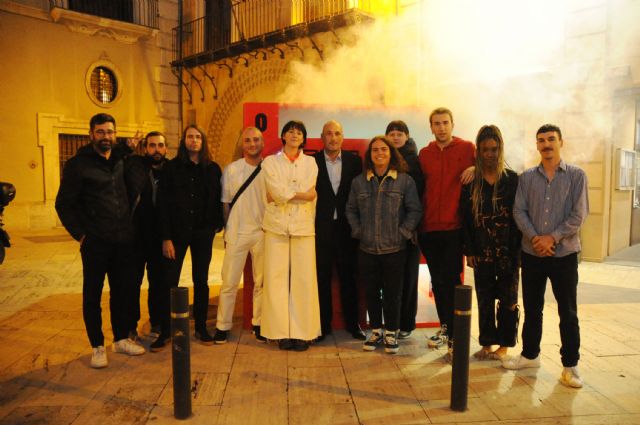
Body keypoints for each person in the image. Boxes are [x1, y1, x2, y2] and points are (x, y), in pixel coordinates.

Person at [55, 113, 145, 369]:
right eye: (101, 132)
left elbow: (126, 155)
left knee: (122, 292)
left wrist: (129, 146)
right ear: (91, 134)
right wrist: (81, 234)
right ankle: (96, 345)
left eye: (110, 132)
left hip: (123, 240)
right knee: (92, 295)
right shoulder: (78, 165)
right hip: (95, 242)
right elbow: (63, 204)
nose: (106, 137)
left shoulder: (118, 159)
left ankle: (119, 339)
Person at [503, 124, 589, 389]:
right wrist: (536, 239)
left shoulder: (576, 176)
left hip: (564, 255)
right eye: (541, 140)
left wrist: (552, 238)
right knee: (533, 308)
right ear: (537, 145)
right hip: (532, 254)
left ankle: (570, 366)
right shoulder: (527, 178)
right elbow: (519, 211)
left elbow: (579, 214)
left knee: (568, 312)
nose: (546, 144)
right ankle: (530, 355)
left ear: (561, 141)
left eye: (551, 139)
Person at [346, 136, 422, 354]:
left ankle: (392, 332)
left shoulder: (404, 181)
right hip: (367, 248)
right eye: (375, 150)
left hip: (395, 249)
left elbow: (414, 210)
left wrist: (403, 233)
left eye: (384, 149)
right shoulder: (359, 182)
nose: (379, 153)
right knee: (371, 292)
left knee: (393, 293)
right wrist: (358, 231)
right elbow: (350, 209)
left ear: (391, 153)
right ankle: (376, 330)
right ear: (369, 155)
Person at [156, 125, 224, 347]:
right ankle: (166, 331)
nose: (194, 140)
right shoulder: (171, 169)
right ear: (184, 141)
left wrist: (217, 223)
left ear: (203, 142)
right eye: (190, 137)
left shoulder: (213, 169)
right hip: (176, 234)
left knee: (201, 281)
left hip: (202, 232)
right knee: (170, 281)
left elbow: (218, 199)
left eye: (198, 137)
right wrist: (166, 237)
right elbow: (163, 205)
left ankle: (202, 327)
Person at [460, 125, 520, 360]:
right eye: (485, 149)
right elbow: (465, 218)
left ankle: (504, 346)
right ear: (478, 151)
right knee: (484, 298)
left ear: (500, 149)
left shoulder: (513, 180)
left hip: (509, 250)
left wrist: (518, 252)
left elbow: (520, 216)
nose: (489, 154)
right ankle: (487, 343)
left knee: (508, 300)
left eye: (494, 149)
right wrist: (469, 250)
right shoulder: (471, 182)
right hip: (481, 249)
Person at [418, 107, 475, 355]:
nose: (441, 127)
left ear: (452, 124)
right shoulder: (424, 154)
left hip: (454, 228)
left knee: (453, 283)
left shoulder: (467, 149)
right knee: (438, 283)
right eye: (436, 123)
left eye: (445, 123)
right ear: (431, 127)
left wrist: (477, 169)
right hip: (429, 229)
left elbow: (493, 164)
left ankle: (455, 336)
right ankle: (446, 328)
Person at [261, 120, 320, 352]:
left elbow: (304, 190)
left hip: (304, 228)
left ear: (303, 138)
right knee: (275, 280)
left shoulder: (311, 163)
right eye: (291, 132)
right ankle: (279, 333)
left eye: (299, 132)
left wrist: (284, 195)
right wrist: (301, 195)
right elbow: (276, 191)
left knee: (304, 280)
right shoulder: (270, 162)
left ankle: (302, 333)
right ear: (283, 136)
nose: (295, 135)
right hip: (276, 227)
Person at [213, 127, 267, 344]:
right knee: (229, 282)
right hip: (237, 232)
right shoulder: (232, 170)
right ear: (242, 144)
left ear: (262, 142)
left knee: (262, 282)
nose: (252, 144)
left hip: (262, 232)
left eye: (256, 140)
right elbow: (225, 204)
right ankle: (222, 326)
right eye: (248, 140)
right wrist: (228, 230)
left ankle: (259, 323)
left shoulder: (269, 169)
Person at [313, 120, 365, 342]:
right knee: (321, 279)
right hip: (320, 230)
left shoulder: (355, 162)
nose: (333, 138)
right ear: (322, 137)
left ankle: (354, 325)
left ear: (342, 137)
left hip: (347, 230)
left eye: (337, 133)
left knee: (349, 279)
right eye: (328, 134)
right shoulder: (311, 162)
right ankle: (322, 327)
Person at [122, 131, 168, 345]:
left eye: (160, 145)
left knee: (159, 283)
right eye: (152, 145)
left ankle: (157, 321)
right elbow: (114, 161)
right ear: (145, 148)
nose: (156, 150)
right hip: (135, 237)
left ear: (166, 148)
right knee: (132, 283)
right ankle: (130, 325)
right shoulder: (135, 165)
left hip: (161, 238)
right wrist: (126, 147)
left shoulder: (171, 170)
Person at [385, 120, 424, 339]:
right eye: (391, 133)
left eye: (400, 133)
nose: (396, 136)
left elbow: (419, 196)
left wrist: (413, 226)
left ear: (407, 137)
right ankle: (391, 322)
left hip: (409, 229)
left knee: (409, 278)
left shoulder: (415, 161)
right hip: (386, 230)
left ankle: (406, 323)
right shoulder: (382, 158)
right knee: (392, 279)